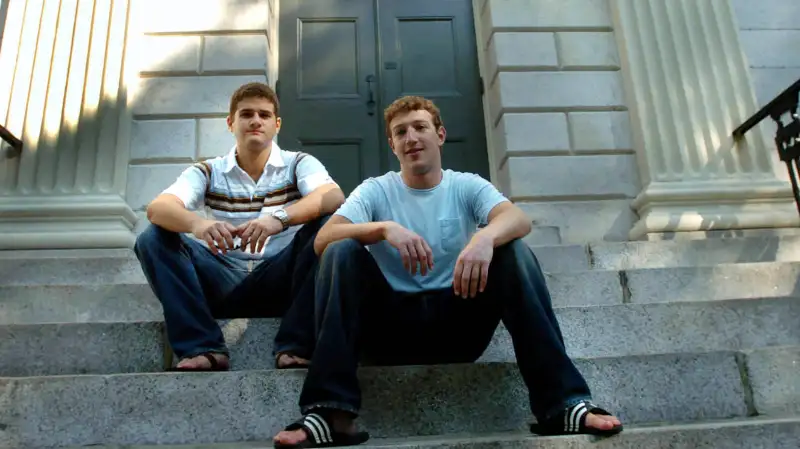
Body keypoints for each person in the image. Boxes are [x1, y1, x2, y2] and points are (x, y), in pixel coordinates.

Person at [272, 96, 623, 447]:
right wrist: (382, 229)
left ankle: (562, 404)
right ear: (392, 145)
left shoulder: (466, 185)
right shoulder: (376, 190)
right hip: (389, 332)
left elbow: (517, 219)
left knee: (513, 251)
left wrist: (485, 237)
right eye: (400, 132)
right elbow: (325, 237)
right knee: (341, 251)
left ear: (440, 135)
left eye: (420, 127)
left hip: (458, 327)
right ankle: (332, 414)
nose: (411, 138)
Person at [134, 82, 344, 371]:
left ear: (277, 124)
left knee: (326, 225)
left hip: (281, 280)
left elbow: (333, 196)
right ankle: (202, 347)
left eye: (264, 115)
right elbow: (158, 208)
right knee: (153, 237)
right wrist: (198, 224)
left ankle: (296, 344)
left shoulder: (298, 163)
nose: (256, 121)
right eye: (246, 114)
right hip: (222, 280)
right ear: (231, 123)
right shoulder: (208, 170)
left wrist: (278, 219)